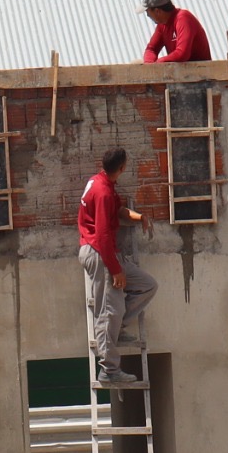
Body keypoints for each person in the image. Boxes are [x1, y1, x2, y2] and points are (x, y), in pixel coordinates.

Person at [78, 147, 156, 387]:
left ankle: (117, 327)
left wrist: (138, 217)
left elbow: (117, 210)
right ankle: (109, 370)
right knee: (109, 310)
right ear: (121, 168)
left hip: (108, 253)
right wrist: (115, 270)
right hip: (101, 254)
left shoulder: (101, 182)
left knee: (148, 286)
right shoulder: (101, 191)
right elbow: (101, 236)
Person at [140, 0, 211, 63]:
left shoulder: (183, 18)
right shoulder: (162, 25)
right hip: (182, 73)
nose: (148, 15)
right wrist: (149, 65)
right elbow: (151, 49)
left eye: (147, 11)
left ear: (157, 11)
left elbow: (182, 54)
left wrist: (158, 64)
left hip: (200, 72)